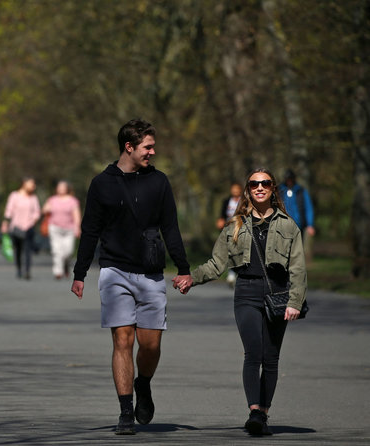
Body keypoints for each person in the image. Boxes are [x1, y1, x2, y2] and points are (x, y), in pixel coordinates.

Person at [71, 119, 192, 435]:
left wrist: (183, 267)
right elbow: (90, 231)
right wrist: (80, 272)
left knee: (149, 345)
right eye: (148, 147)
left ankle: (144, 383)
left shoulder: (159, 182)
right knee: (122, 339)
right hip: (115, 272)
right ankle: (126, 411)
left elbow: (170, 228)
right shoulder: (102, 184)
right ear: (129, 146)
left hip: (151, 273)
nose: (153, 151)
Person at [175, 168, 307, 436]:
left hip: (277, 294)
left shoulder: (288, 226)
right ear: (248, 190)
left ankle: (263, 414)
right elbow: (216, 264)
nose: (260, 187)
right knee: (253, 351)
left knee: (271, 357)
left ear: (272, 189)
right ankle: (255, 411)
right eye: (254, 184)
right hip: (246, 291)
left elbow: (298, 268)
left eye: (265, 183)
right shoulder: (234, 225)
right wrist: (192, 278)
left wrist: (295, 300)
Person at [1, 177, 41, 280]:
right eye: (31, 184)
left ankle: (27, 271)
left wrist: (33, 220)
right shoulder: (14, 196)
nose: (33, 186)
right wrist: (5, 223)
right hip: (16, 227)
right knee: (18, 250)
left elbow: (37, 212)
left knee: (27, 250)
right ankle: (19, 269)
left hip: (29, 227)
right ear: (24, 184)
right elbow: (9, 210)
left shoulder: (33, 198)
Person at [42, 180, 81, 280]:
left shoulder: (73, 201)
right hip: (54, 227)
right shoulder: (52, 200)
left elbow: (76, 216)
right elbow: (44, 210)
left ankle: (66, 267)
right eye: (59, 187)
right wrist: (46, 209)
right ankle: (58, 271)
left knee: (68, 252)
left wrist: (77, 228)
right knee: (56, 251)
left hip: (69, 229)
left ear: (67, 189)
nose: (61, 189)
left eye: (63, 187)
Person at [278, 169, 315, 261]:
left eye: (290, 179)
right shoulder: (279, 190)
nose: (289, 181)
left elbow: (308, 207)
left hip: (298, 225)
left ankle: (294, 269)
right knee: (282, 249)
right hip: (282, 225)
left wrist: (310, 224)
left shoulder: (301, 191)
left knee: (296, 250)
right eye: (287, 179)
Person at [216, 182, 243, 286]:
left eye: (237, 189)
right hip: (229, 229)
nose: (235, 191)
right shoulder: (227, 201)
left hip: (241, 229)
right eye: (233, 189)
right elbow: (222, 214)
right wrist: (220, 220)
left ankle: (238, 273)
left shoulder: (244, 202)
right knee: (230, 251)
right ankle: (231, 273)